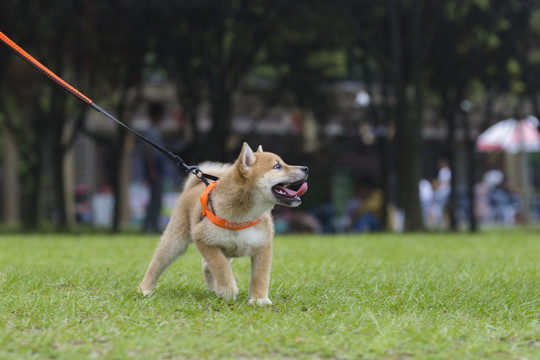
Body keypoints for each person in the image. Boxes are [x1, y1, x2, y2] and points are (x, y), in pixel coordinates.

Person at [141, 102, 166, 233]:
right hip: (154, 166)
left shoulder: (155, 130)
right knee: (154, 199)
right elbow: (148, 152)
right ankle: (149, 227)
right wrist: (152, 171)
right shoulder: (148, 130)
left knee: (157, 198)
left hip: (158, 166)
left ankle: (153, 225)